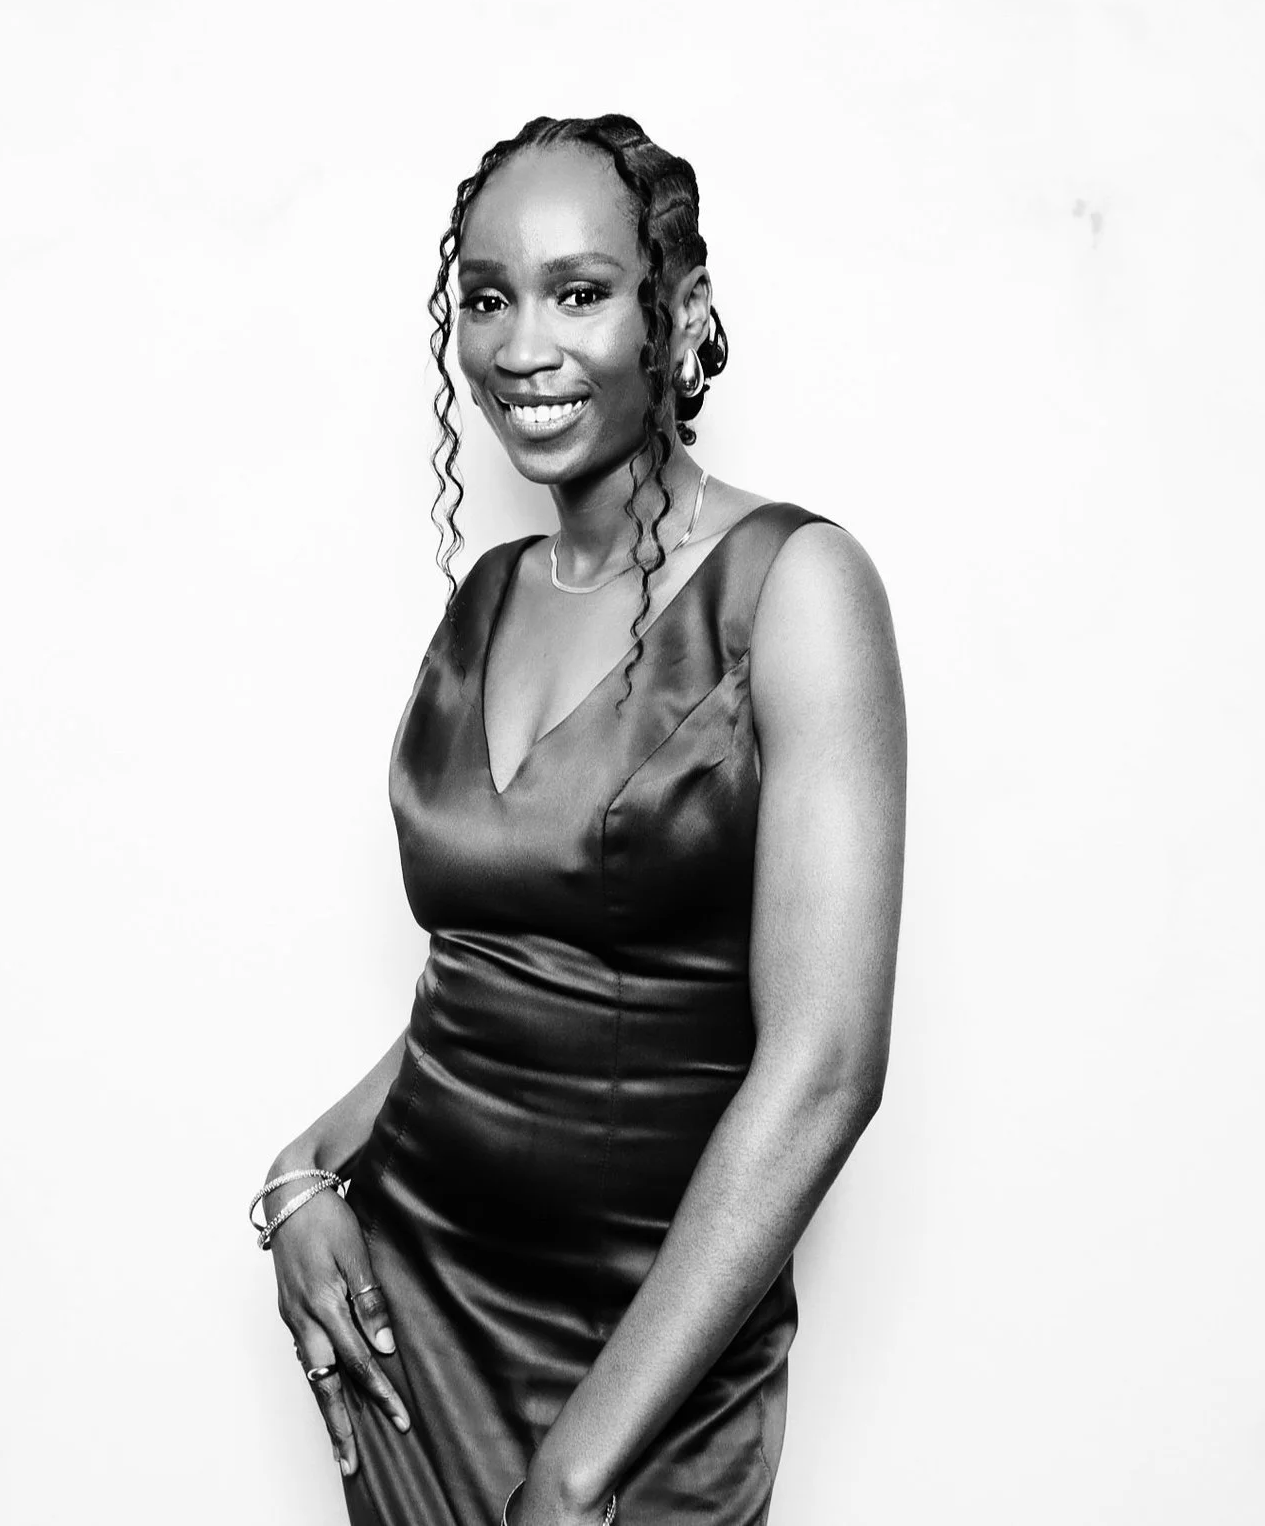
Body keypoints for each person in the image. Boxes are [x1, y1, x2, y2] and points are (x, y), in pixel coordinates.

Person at [250, 115, 908, 1526]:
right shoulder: (488, 596)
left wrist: (579, 1466)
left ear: (683, 312)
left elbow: (827, 1070)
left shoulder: (797, 588)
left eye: (580, 291)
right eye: (488, 298)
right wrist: (305, 1173)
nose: (521, 346)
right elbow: (496, 979)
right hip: (420, 1317)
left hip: (649, 1367)